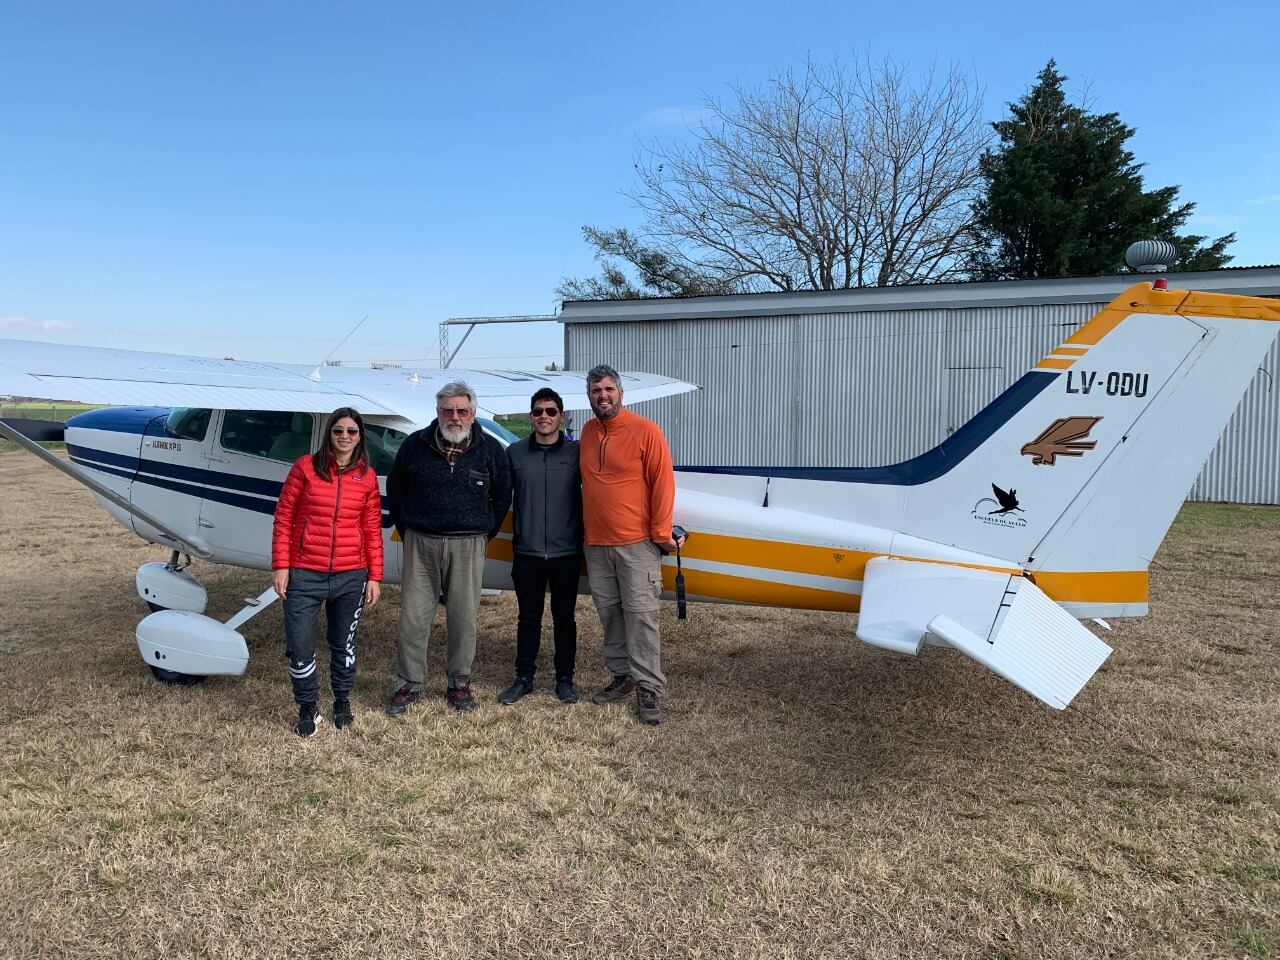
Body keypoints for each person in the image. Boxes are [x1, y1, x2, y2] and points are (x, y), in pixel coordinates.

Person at [385, 381, 512, 715]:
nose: (454, 417)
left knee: (464, 618)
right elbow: (396, 491)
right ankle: (408, 684)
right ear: (437, 411)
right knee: (413, 618)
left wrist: (484, 533)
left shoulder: (489, 450)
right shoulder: (415, 445)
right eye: (448, 410)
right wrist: (410, 530)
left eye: (462, 410)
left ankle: (459, 684)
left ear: (472, 412)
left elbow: (502, 496)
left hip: (469, 542)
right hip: (421, 541)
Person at [579, 364, 684, 725]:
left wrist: (661, 532)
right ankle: (621, 676)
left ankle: (648, 687)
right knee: (610, 615)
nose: (602, 395)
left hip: (636, 543)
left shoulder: (646, 431)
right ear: (589, 396)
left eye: (608, 389)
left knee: (641, 617)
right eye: (595, 390)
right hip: (596, 544)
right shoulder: (589, 432)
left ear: (620, 393)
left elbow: (662, 484)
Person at [271, 407, 383, 737]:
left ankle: (342, 702)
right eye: (338, 431)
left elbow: (372, 528)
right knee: (300, 644)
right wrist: (281, 565)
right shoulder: (304, 468)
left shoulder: (367, 476)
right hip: (305, 572)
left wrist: (374, 575)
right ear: (329, 434)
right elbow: (284, 519)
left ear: (360, 436)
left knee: (343, 644)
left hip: (351, 575)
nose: (344, 436)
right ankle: (308, 708)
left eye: (351, 431)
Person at [498, 388, 582, 706]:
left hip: (566, 553)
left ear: (561, 416)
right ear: (530, 416)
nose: (543, 416)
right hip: (527, 553)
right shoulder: (515, 454)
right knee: (527, 619)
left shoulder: (576, 454)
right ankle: (524, 678)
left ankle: (565, 680)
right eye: (537, 411)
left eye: (550, 411)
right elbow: (500, 496)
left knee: (565, 619)